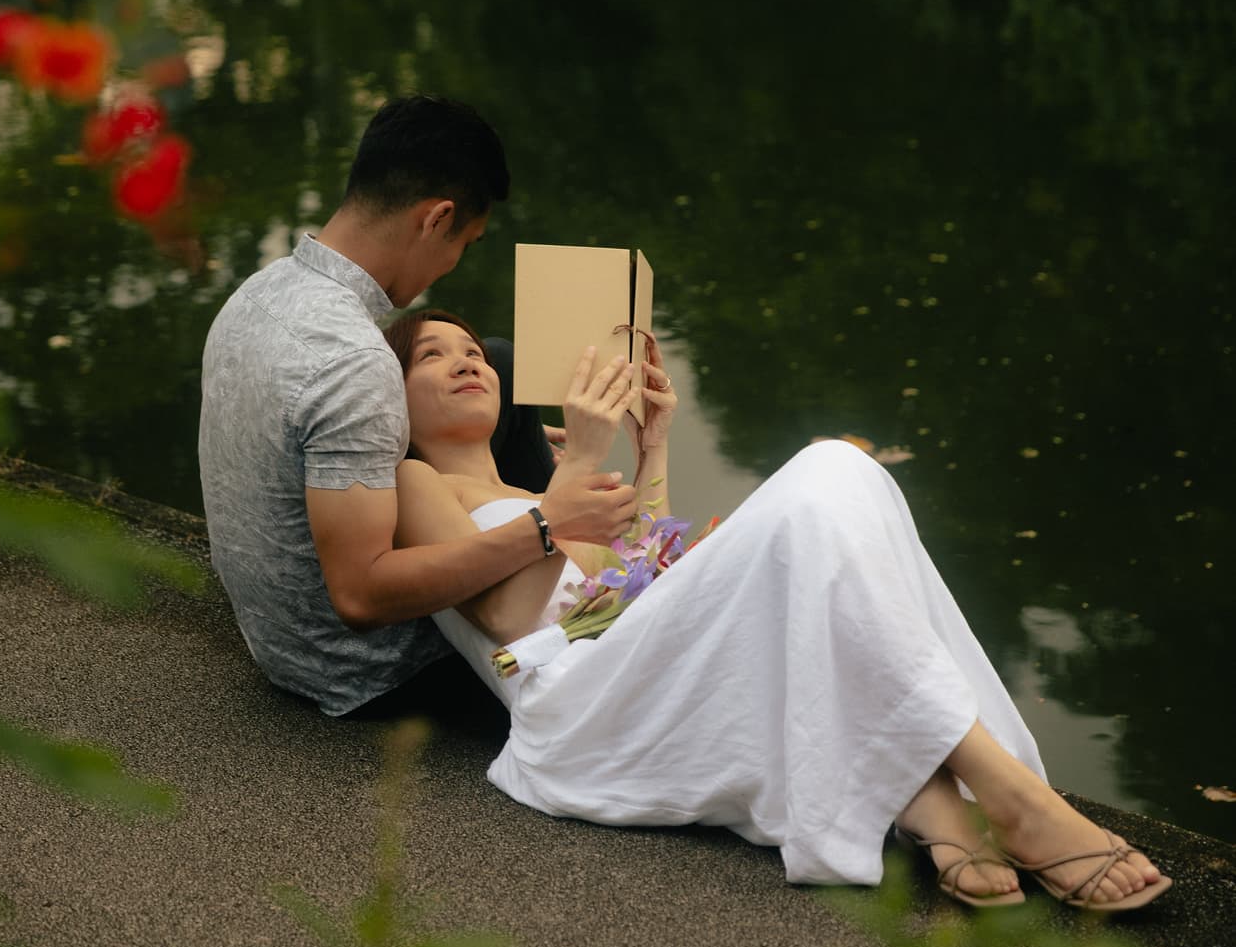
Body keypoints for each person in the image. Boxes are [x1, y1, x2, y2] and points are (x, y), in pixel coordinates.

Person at [385, 309, 1173, 913]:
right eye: (433, 354)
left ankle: (933, 799)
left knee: (846, 476)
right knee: (820, 477)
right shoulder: (420, 483)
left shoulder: (536, 488)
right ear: (395, 398)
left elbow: (638, 583)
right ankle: (1009, 794)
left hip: (628, 666)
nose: (467, 360)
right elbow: (508, 619)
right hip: (572, 708)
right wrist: (584, 462)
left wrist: (652, 445)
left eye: (475, 351)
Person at [198, 95, 636, 716]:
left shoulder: (259, 291)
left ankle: (516, 496)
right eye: (466, 243)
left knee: (501, 363)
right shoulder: (353, 363)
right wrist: (549, 521)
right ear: (436, 219)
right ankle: (558, 533)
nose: (453, 266)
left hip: (274, 631)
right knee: (594, 589)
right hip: (368, 667)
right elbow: (361, 598)